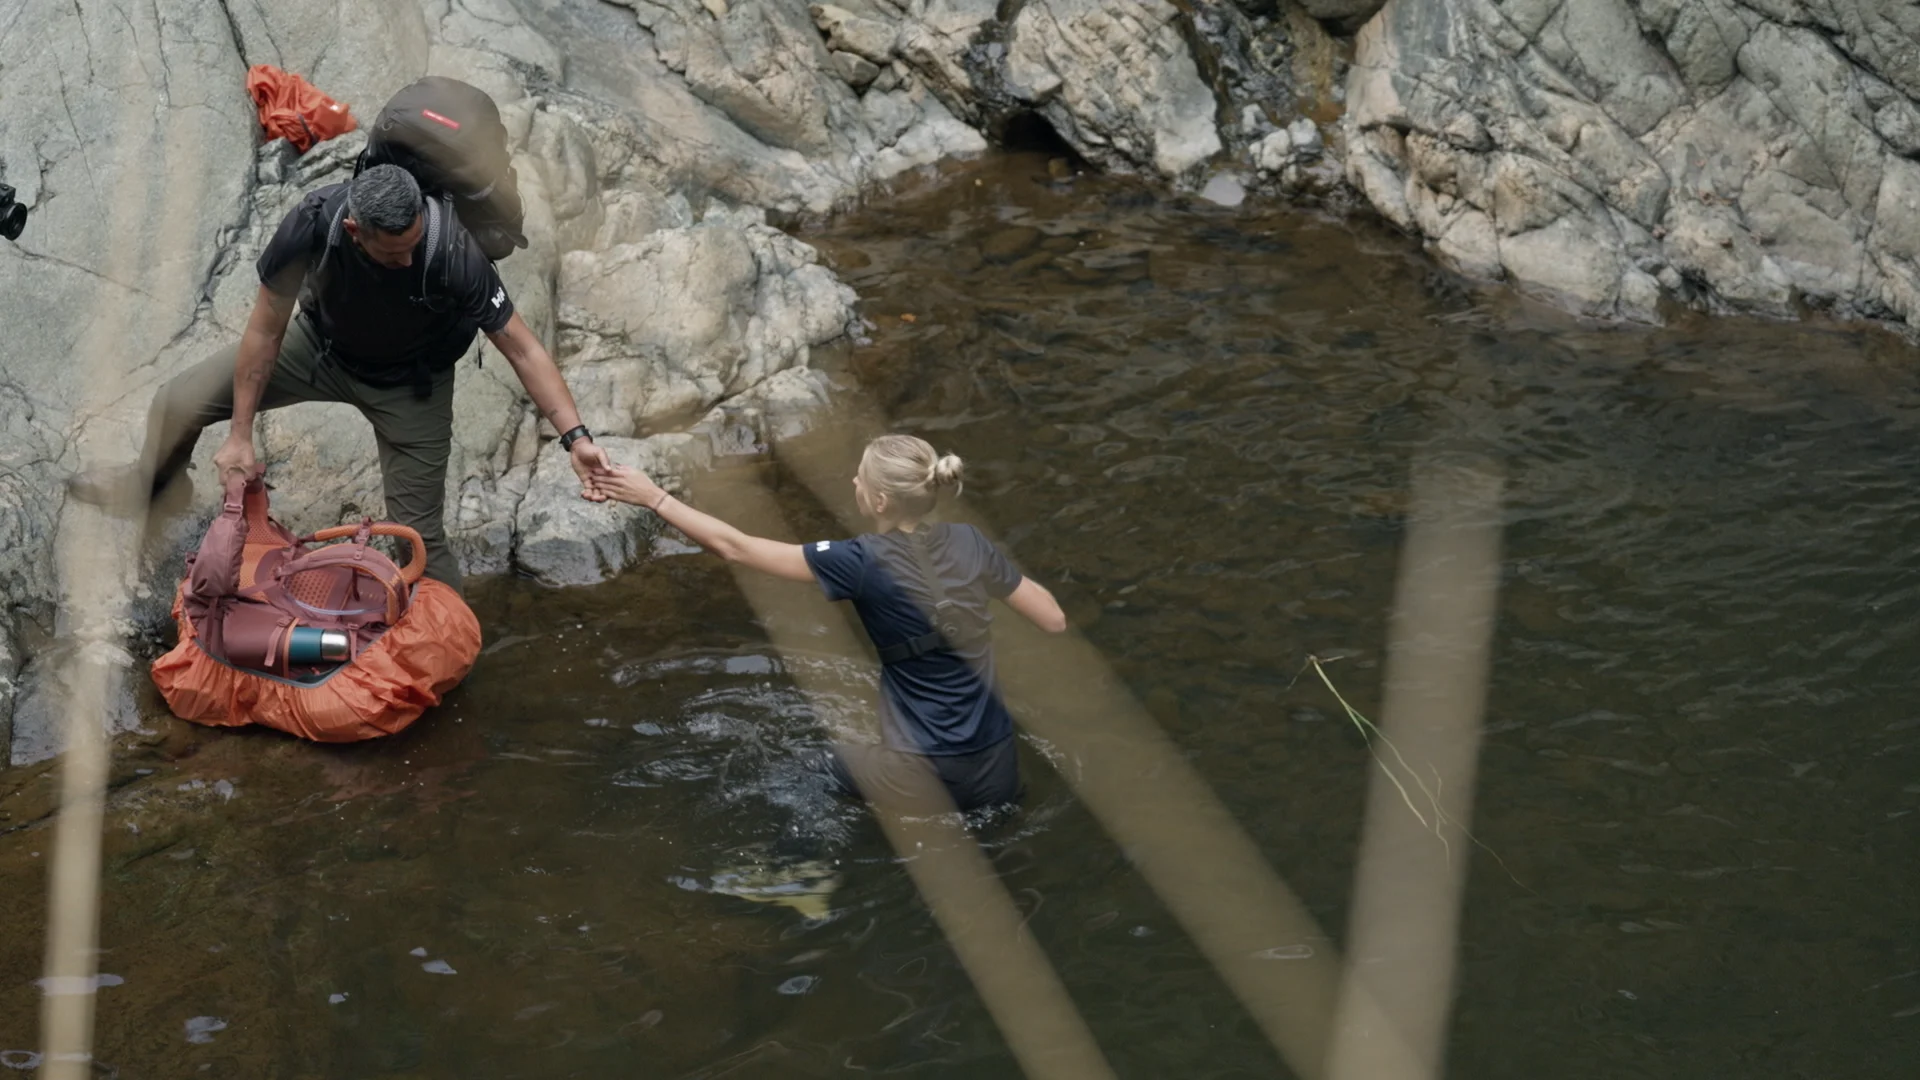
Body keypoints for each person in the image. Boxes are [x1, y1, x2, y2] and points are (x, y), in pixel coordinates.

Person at [70, 164, 611, 592]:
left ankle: (448, 650)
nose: (407, 260)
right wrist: (238, 436)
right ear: (355, 230)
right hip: (319, 350)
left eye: (414, 245)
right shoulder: (313, 223)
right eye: (394, 252)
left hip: (410, 386)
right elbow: (263, 333)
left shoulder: (452, 250)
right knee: (175, 402)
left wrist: (576, 438)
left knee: (418, 538)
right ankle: (155, 483)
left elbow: (522, 347)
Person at [596, 434, 1068, 813]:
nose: (853, 482)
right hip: (1000, 770)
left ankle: (805, 885)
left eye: (859, 479)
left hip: (931, 777)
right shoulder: (970, 542)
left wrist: (654, 497)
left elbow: (735, 547)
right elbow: (1053, 620)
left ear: (880, 501)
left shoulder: (859, 561)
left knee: (800, 771)